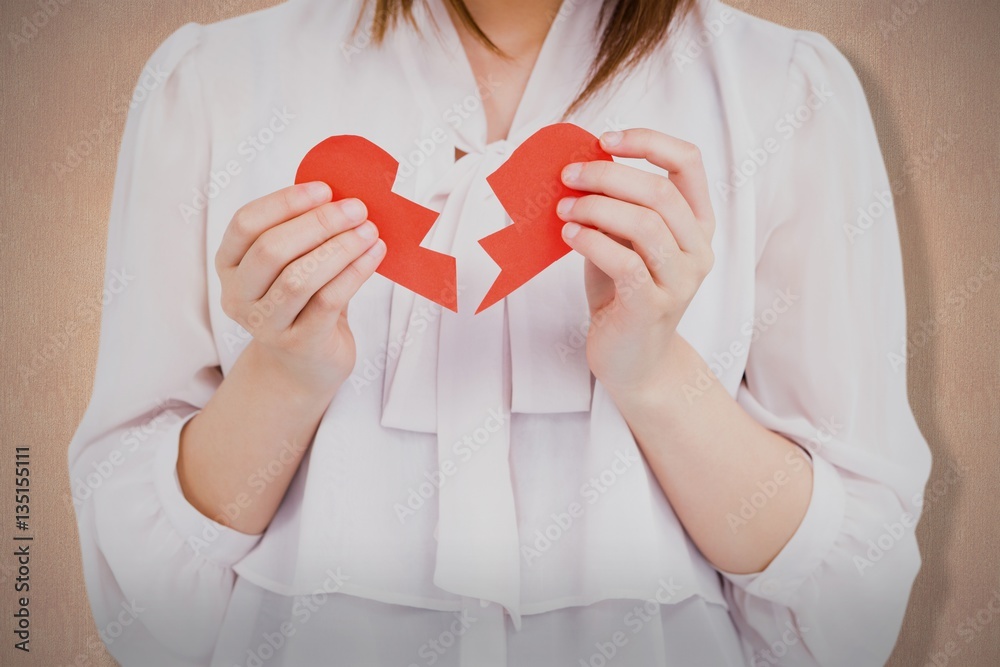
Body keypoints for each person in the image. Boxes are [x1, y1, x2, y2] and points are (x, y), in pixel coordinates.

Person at [68, 0, 931, 664]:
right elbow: (145, 609)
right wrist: (284, 374)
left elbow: (848, 609)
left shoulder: (784, 92)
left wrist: (655, 373)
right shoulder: (214, 83)